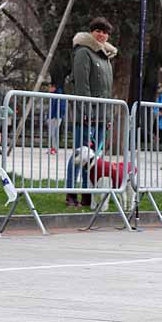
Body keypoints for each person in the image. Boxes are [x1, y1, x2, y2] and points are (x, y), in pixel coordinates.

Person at [65, 16, 117, 208]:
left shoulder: (106, 56)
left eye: (105, 32)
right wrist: (86, 111)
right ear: (91, 32)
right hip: (86, 115)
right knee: (80, 154)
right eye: (98, 31)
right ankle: (71, 193)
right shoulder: (83, 52)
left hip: (103, 115)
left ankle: (88, 193)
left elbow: (106, 90)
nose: (101, 35)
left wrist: (108, 116)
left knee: (94, 157)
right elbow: (82, 85)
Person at [47, 82, 66, 154]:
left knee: (54, 132)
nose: (49, 89)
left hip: (56, 116)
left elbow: (61, 107)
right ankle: (53, 147)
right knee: (52, 133)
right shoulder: (53, 95)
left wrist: (59, 115)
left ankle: (55, 148)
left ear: (54, 87)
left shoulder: (58, 95)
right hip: (53, 116)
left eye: (50, 87)